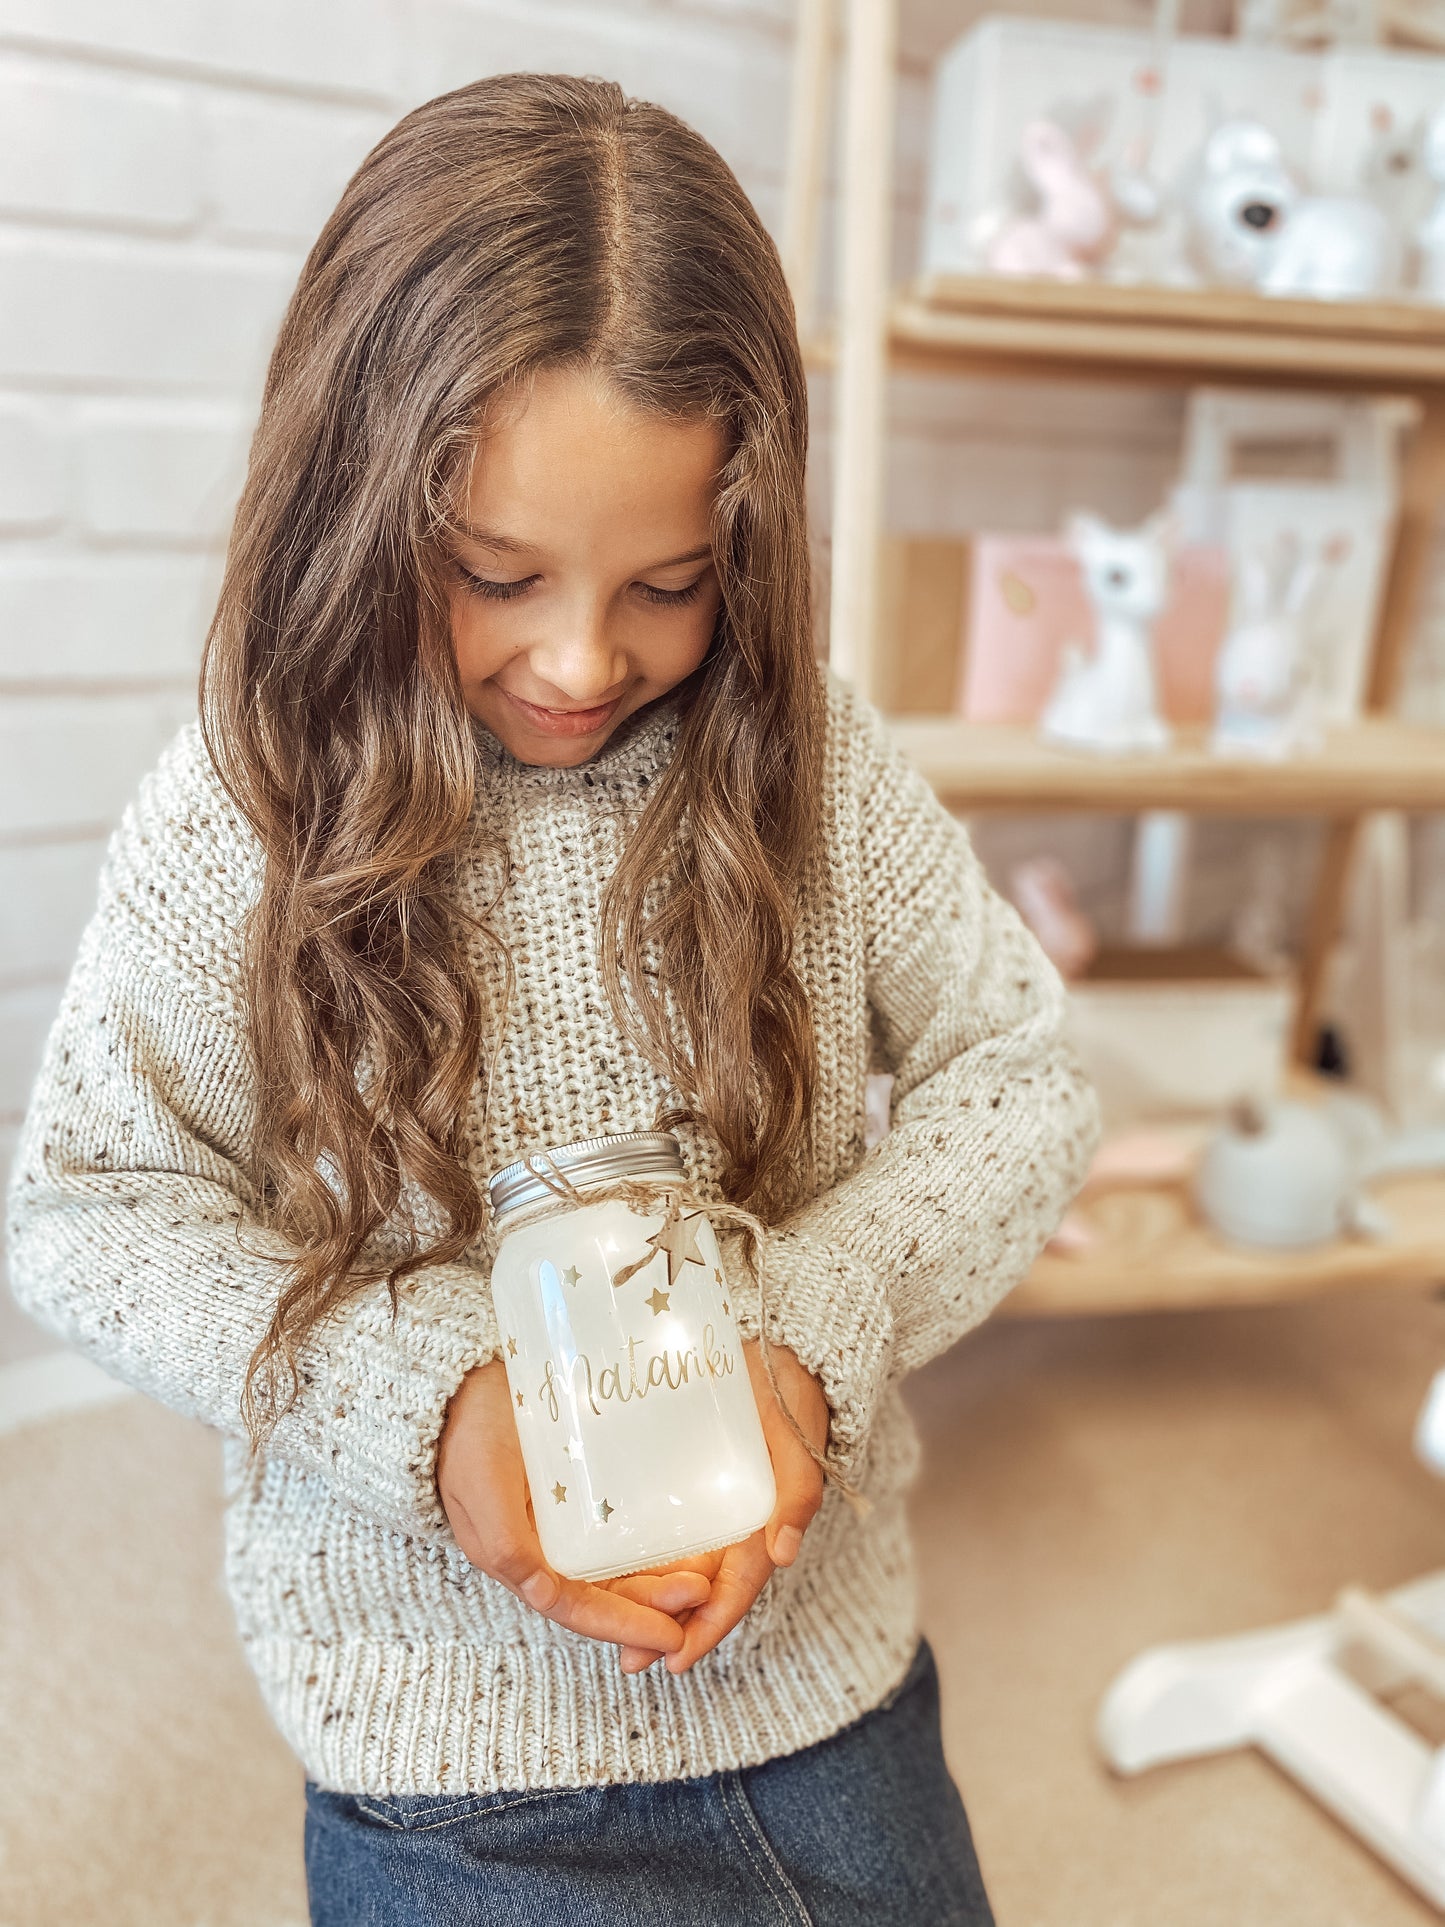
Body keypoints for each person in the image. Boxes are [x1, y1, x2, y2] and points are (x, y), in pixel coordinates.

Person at [5, 72, 1100, 1926]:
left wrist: (808, 1336)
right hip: (450, 1782)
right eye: (495, 576)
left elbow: (1021, 1073)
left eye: (670, 583)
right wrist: (426, 1410)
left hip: (827, 1700)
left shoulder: (806, 766)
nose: (584, 657)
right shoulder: (247, 809)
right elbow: (88, 1203)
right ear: (356, 508)